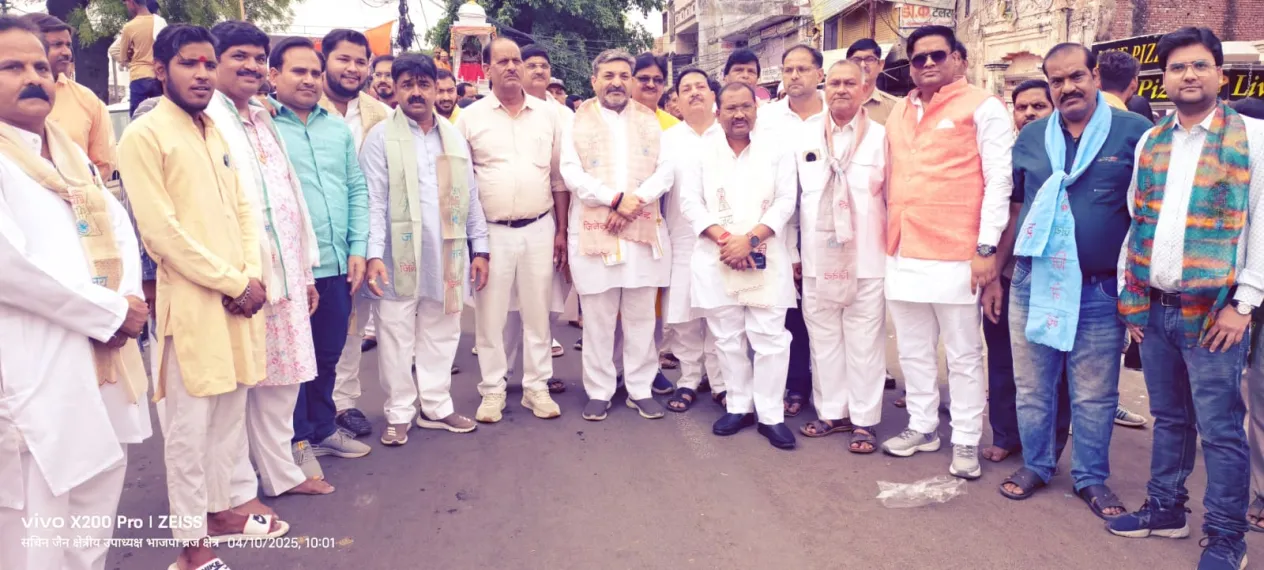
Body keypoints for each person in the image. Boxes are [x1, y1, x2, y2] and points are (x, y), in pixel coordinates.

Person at [118, 24, 288, 570]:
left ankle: (220, 512)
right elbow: (161, 234)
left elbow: (245, 210)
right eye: (189, 63)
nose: (202, 74)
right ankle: (192, 546)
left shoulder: (214, 130)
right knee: (188, 432)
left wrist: (250, 276)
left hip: (238, 299)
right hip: (192, 305)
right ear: (161, 70)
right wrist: (235, 283)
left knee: (228, 417)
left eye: (208, 64)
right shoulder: (144, 135)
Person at [1108, 27, 1263, 570]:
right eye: (1177, 68)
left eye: (1199, 65)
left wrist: (1243, 305)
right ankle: (1166, 509)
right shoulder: (1152, 141)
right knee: (1170, 418)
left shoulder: (1253, 138)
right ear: (1164, 79)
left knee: (1221, 430)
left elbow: (1262, 225)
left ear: (1219, 73)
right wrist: (1132, 298)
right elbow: (1137, 221)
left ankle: (1226, 537)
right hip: (1156, 308)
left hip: (1216, 314)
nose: (1188, 75)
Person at [0, 16, 149, 570]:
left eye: (40, 66)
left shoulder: (66, 153)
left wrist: (127, 302)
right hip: (34, 369)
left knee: (93, 512)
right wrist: (110, 314)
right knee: (34, 529)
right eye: (12, 66)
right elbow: (10, 267)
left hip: (102, 361)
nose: (33, 77)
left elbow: (117, 226)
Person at [997, 43, 1152, 520]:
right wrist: (993, 270)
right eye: (1057, 81)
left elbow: (1146, 213)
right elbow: (1015, 208)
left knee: (1095, 392)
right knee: (1033, 386)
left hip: (1100, 287)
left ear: (1095, 76)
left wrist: (1137, 288)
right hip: (1033, 280)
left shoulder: (1134, 132)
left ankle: (1091, 477)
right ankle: (1037, 464)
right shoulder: (1031, 137)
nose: (1067, 88)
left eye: (1076, 77)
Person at [205, 20, 334, 500]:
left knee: (282, 382)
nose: (252, 66)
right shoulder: (206, 118)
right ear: (213, 62)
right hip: (242, 278)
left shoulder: (262, 117)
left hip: (286, 273)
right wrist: (236, 277)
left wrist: (305, 271)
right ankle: (236, 490)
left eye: (258, 58)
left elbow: (290, 196)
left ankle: (283, 475)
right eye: (239, 56)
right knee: (239, 388)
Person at [880, 25, 1014, 480]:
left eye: (937, 55)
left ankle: (966, 439)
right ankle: (922, 427)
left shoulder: (984, 106)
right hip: (903, 248)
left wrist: (986, 248)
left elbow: (999, 180)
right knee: (913, 349)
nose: (927, 64)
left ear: (959, 59)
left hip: (958, 253)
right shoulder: (900, 110)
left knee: (962, 354)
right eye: (918, 58)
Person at [361, 53, 489, 444]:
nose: (416, 92)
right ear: (395, 89)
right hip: (395, 256)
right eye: (407, 85)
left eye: (424, 84)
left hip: (446, 253)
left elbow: (470, 195)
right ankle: (399, 411)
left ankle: (436, 406)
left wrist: (481, 247)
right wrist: (373, 254)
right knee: (395, 335)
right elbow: (373, 200)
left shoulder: (453, 136)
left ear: (435, 88)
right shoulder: (380, 137)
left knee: (443, 330)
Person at [268, 37, 374, 470]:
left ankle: (324, 429)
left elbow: (356, 189)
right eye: (299, 71)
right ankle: (295, 442)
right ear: (274, 75)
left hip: (337, 263)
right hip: (290, 269)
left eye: (314, 72)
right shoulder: (263, 126)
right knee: (294, 359)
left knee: (328, 354)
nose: (309, 79)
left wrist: (359, 248)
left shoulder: (336, 129)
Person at [679, 82, 798, 447]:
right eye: (731, 108)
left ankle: (771, 414)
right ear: (718, 112)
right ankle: (738, 406)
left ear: (756, 109)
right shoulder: (701, 152)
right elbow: (690, 203)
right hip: (718, 255)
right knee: (728, 338)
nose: (739, 114)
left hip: (765, 254)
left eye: (746, 106)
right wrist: (728, 241)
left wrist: (751, 239)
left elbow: (786, 200)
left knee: (770, 338)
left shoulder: (777, 147)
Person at [561, 48, 674, 421]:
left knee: (641, 317)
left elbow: (666, 171)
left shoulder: (650, 120)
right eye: (608, 75)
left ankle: (640, 388)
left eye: (624, 76)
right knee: (598, 318)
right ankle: (599, 390)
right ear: (594, 80)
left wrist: (633, 201)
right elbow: (571, 172)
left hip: (641, 230)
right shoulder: (576, 121)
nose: (617, 82)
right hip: (595, 231)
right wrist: (613, 199)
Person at [457, 37, 566, 422]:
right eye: (502, 61)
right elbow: (463, 184)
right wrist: (474, 243)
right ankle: (492, 390)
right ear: (487, 69)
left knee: (538, 313)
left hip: (539, 227)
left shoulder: (548, 115)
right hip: (491, 232)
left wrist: (561, 231)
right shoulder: (470, 118)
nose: (512, 67)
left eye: (516, 60)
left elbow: (558, 179)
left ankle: (537, 388)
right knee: (491, 316)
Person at [793, 59, 888, 453]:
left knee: (864, 343)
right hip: (817, 260)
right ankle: (832, 412)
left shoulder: (882, 137)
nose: (842, 90)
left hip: (867, 259)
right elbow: (792, 198)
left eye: (851, 83)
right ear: (824, 88)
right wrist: (793, 252)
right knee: (824, 339)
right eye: (834, 83)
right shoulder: (804, 136)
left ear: (865, 89)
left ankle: (864, 420)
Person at [979, 78, 1072, 465]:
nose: (1029, 113)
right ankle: (1006, 435)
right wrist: (993, 278)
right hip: (1008, 273)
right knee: (1002, 360)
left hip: (1056, 278)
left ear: (1054, 108)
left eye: (1039, 106)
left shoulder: (1068, 155)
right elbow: (1008, 217)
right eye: (1021, 107)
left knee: (1053, 370)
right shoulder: (1004, 155)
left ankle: (1047, 446)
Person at [318, 29, 389, 439]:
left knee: (351, 325)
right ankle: (305, 410)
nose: (352, 68)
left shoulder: (380, 114)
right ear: (325, 60)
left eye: (360, 61)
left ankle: (343, 402)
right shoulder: (297, 107)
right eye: (343, 59)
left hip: (360, 235)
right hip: (314, 236)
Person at [759, 44, 823, 423]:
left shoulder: (834, 115)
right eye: (788, 69)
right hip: (780, 226)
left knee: (827, 310)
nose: (794, 75)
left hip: (825, 226)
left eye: (803, 68)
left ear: (819, 74)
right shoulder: (767, 118)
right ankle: (796, 384)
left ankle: (831, 390)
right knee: (791, 310)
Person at [661, 67, 725, 413]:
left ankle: (720, 381)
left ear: (713, 95)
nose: (695, 92)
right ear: (677, 101)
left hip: (724, 238)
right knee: (684, 313)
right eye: (686, 89)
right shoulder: (668, 139)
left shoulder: (729, 134)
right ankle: (688, 378)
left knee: (719, 310)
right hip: (681, 237)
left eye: (701, 86)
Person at [24, 13, 117, 180]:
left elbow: (103, 165)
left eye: (68, 45)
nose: (67, 52)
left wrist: (76, 191)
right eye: (57, 44)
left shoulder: (86, 99)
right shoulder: (8, 99)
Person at [116, 0, 165, 117]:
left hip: (139, 77)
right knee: (161, 116)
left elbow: (123, 58)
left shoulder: (129, 27)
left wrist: (130, 54)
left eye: (127, 4)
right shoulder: (160, 22)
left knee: (137, 117)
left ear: (132, 3)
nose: (127, 7)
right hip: (158, 76)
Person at [846, 38, 899, 125]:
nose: (862, 65)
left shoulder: (895, 107)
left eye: (869, 59)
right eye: (856, 60)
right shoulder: (831, 103)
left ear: (880, 65)